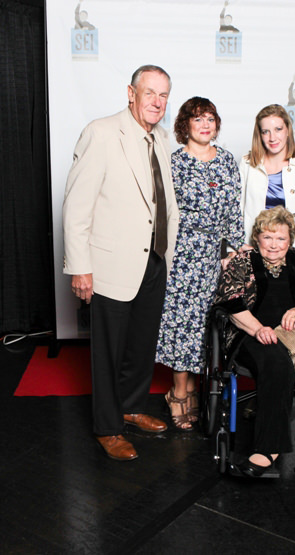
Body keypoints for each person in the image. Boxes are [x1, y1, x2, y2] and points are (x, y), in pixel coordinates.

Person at [63, 65, 179, 461]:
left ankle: (131, 407)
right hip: (110, 262)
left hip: (154, 258)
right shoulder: (101, 132)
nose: (157, 102)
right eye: (150, 93)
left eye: (164, 95)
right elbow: (77, 206)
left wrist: (168, 252)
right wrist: (80, 266)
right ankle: (108, 427)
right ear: (131, 93)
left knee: (141, 344)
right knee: (109, 349)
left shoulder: (161, 137)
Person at [215, 206, 295, 479]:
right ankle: (269, 448)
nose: (274, 245)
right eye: (268, 237)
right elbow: (231, 303)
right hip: (254, 330)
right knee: (276, 363)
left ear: (290, 240)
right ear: (258, 238)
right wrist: (258, 328)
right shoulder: (242, 263)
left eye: (281, 238)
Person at [156, 96, 245, 430]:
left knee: (204, 324)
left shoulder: (225, 161)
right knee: (181, 323)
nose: (206, 124)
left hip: (212, 255)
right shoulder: (175, 162)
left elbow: (233, 210)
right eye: (198, 119)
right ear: (186, 126)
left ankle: (193, 386)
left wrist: (236, 249)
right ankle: (178, 392)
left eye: (210, 118)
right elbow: (162, 211)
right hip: (181, 253)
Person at [240, 104, 295, 260]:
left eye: (278, 129)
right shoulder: (247, 164)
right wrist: (237, 248)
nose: (272, 138)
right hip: (254, 252)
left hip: (293, 254)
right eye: (266, 132)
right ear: (260, 134)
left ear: (288, 131)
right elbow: (236, 211)